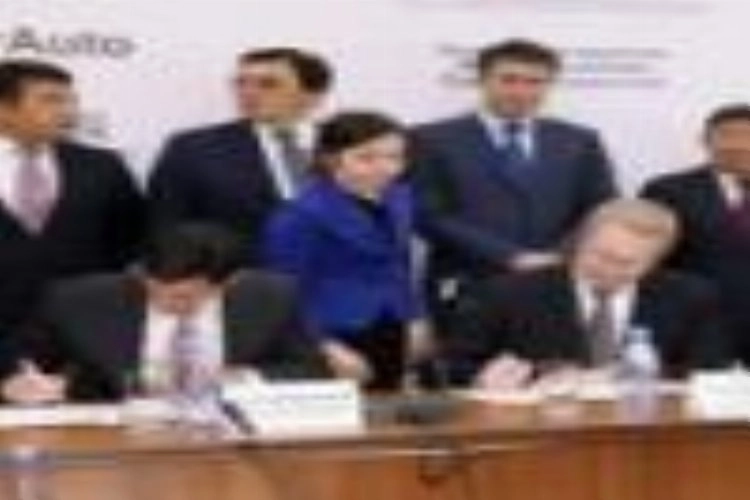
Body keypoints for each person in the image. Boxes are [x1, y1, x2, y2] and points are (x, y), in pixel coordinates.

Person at [411, 39, 616, 319]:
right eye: (509, 79)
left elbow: (602, 208)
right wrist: (509, 256)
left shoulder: (580, 140)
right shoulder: (430, 139)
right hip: (467, 284)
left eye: (535, 82)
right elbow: (427, 214)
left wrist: (558, 255)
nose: (521, 91)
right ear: (483, 80)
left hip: (556, 282)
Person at [12, 223, 328, 402]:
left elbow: (312, 369)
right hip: (123, 439)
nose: (164, 303)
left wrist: (246, 378)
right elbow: (21, 362)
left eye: (183, 297)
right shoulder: (77, 301)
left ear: (229, 283)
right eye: (152, 289)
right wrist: (20, 383)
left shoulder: (272, 296)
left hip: (227, 438)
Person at [445, 199, 730, 389]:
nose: (607, 268)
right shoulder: (508, 292)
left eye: (626, 263)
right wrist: (483, 376)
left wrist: (621, 377)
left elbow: (710, 369)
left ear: (655, 263)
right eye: (599, 254)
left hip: (648, 430)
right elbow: (454, 366)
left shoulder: (690, 296)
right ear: (581, 239)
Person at [264, 111, 429, 390]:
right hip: (333, 331)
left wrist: (416, 317)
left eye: (395, 157)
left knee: (389, 408)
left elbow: (401, 265)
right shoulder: (300, 215)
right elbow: (285, 293)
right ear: (331, 159)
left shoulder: (401, 197)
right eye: (367, 158)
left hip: (392, 323)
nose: (385, 168)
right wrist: (324, 346)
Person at [0, 59, 144, 354]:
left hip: (82, 338)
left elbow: (131, 244)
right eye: (50, 100)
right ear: (5, 109)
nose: (68, 111)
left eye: (70, 101)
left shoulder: (103, 166)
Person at [148, 47, 333, 265]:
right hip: (240, 279)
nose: (248, 92)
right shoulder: (192, 149)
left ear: (312, 96)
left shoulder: (348, 145)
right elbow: (167, 228)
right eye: (240, 83)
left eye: (268, 84)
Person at [641, 104, 750, 366]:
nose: (739, 144)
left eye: (747, 135)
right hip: (699, 326)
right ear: (704, 140)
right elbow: (649, 261)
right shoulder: (666, 190)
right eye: (727, 135)